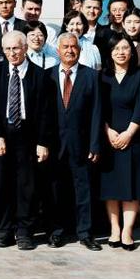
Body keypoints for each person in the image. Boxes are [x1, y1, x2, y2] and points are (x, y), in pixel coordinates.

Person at [0, 30, 57, 250]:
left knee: (27, 186)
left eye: (16, 48)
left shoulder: (39, 76)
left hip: (28, 136)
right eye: (7, 49)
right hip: (3, 136)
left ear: (25, 48)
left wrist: (42, 142)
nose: (12, 53)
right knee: (1, 184)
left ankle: (24, 231)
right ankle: (4, 230)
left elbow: (46, 113)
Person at [97, 34, 140, 250]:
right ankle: (114, 229)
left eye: (125, 48)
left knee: (132, 186)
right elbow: (98, 108)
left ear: (132, 51)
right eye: (116, 49)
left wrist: (129, 133)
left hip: (134, 138)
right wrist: (108, 131)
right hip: (109, 138)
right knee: (111, 187)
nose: (121, 52)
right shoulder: (102, 76)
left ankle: (127, 231)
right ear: (110, 52)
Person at [48, 34, 103, 250]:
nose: (70, 50)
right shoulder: (47, 75)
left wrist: (95, 144)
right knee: (56, 190)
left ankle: (85, 233)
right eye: (65, 47)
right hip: (55, 145)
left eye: (74, 47)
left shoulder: (92, 76)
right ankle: (57, 232)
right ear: (58, 50)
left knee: (84, 190)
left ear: (79, 50)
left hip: (82, 144)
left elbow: (97, 112)